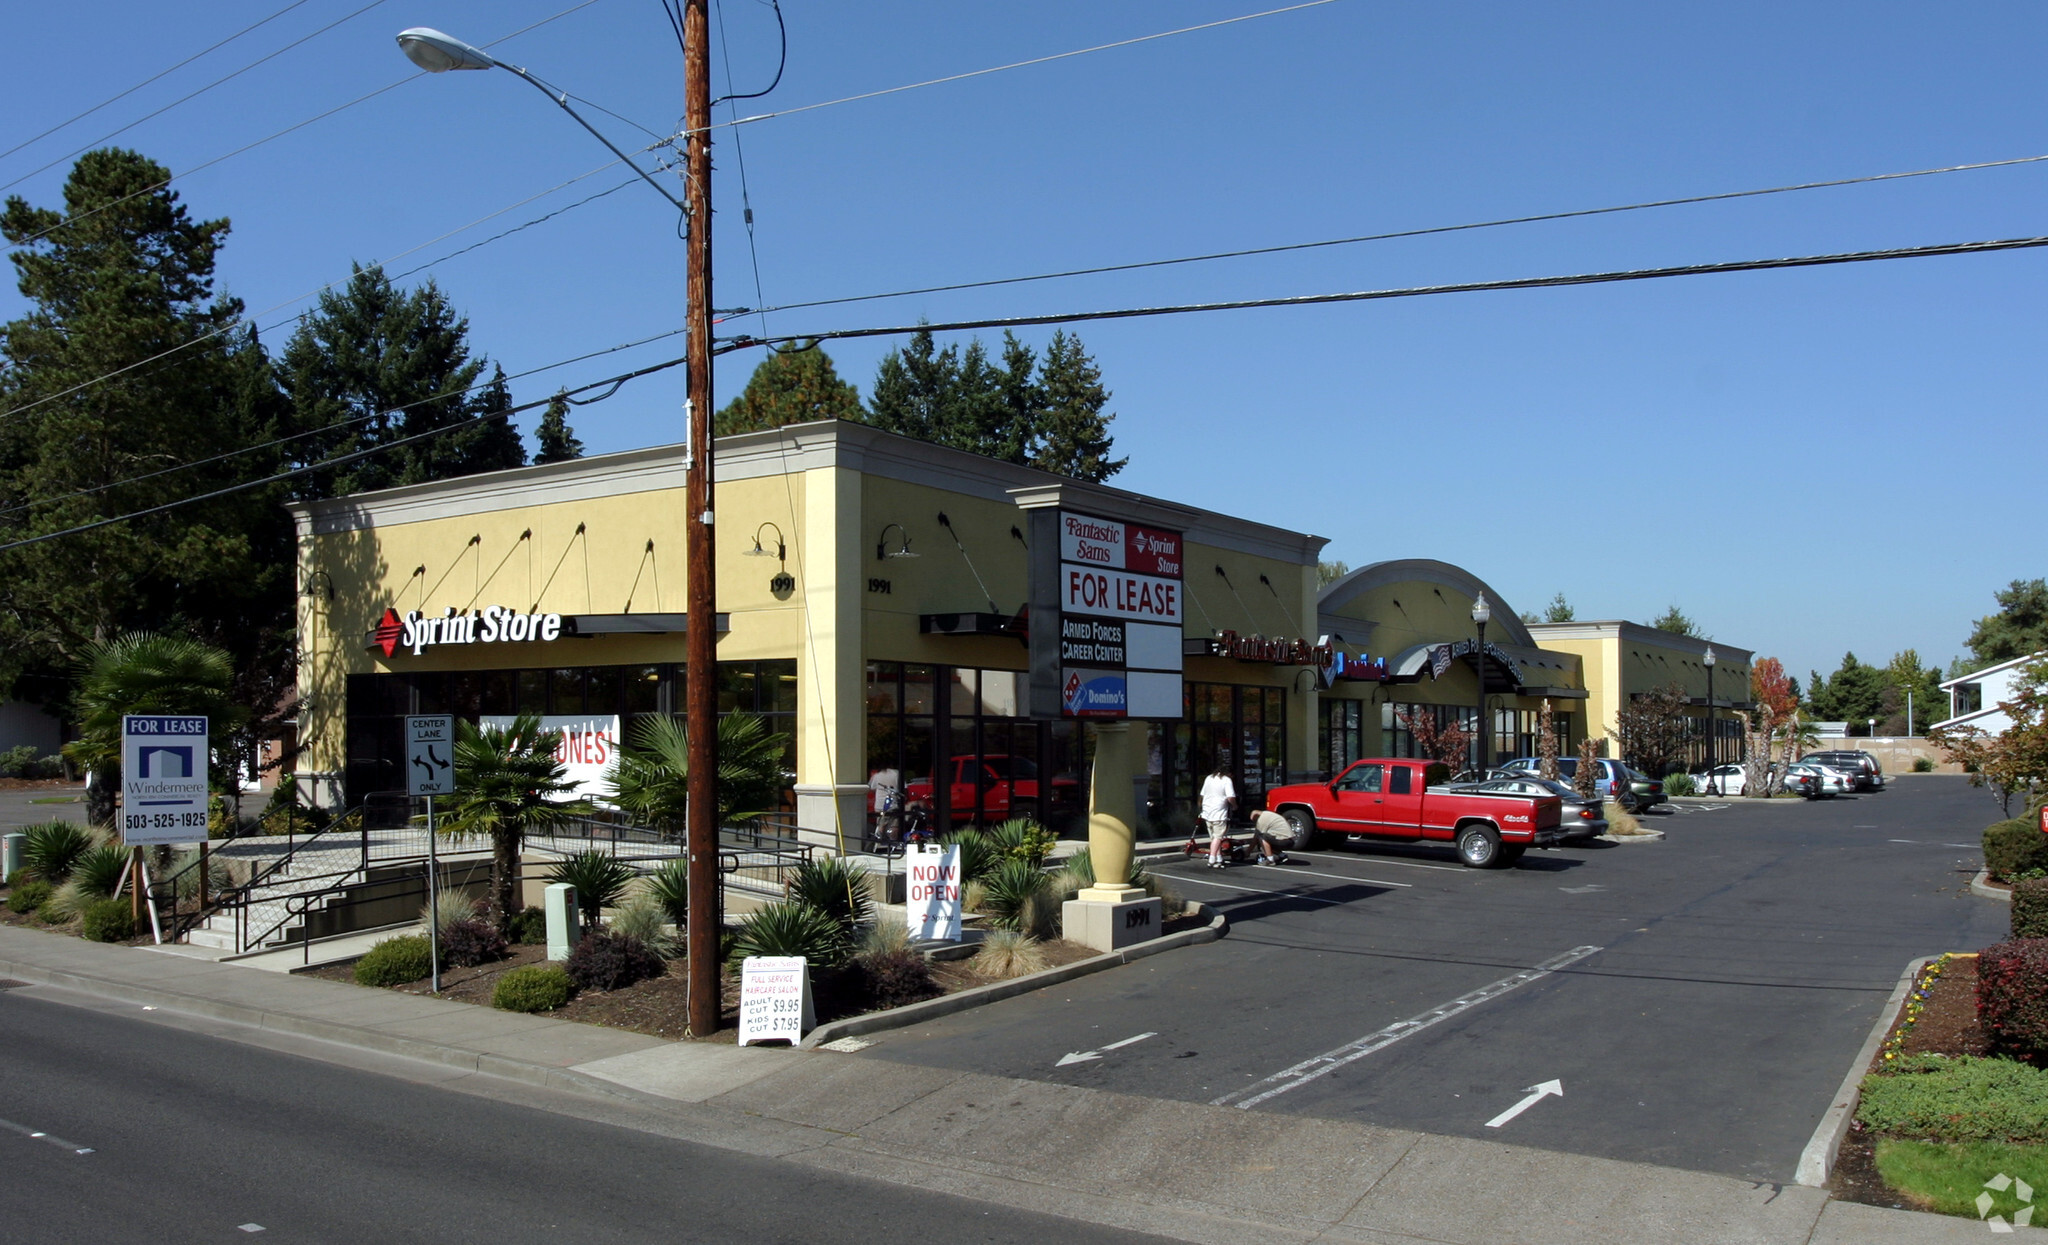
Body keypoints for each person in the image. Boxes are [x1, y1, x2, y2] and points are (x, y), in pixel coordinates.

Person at [1199, 760, 1236, 868]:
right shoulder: (1226, 780)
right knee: (1218, 837)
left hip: (1207, 811)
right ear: (1229, 773)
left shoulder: (1209, 778)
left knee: (1214, 837)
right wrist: (1234, 805)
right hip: (1219, 812)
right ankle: (1212, 859)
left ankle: (1219, 858)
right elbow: (1230, 797)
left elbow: (1202, 794)